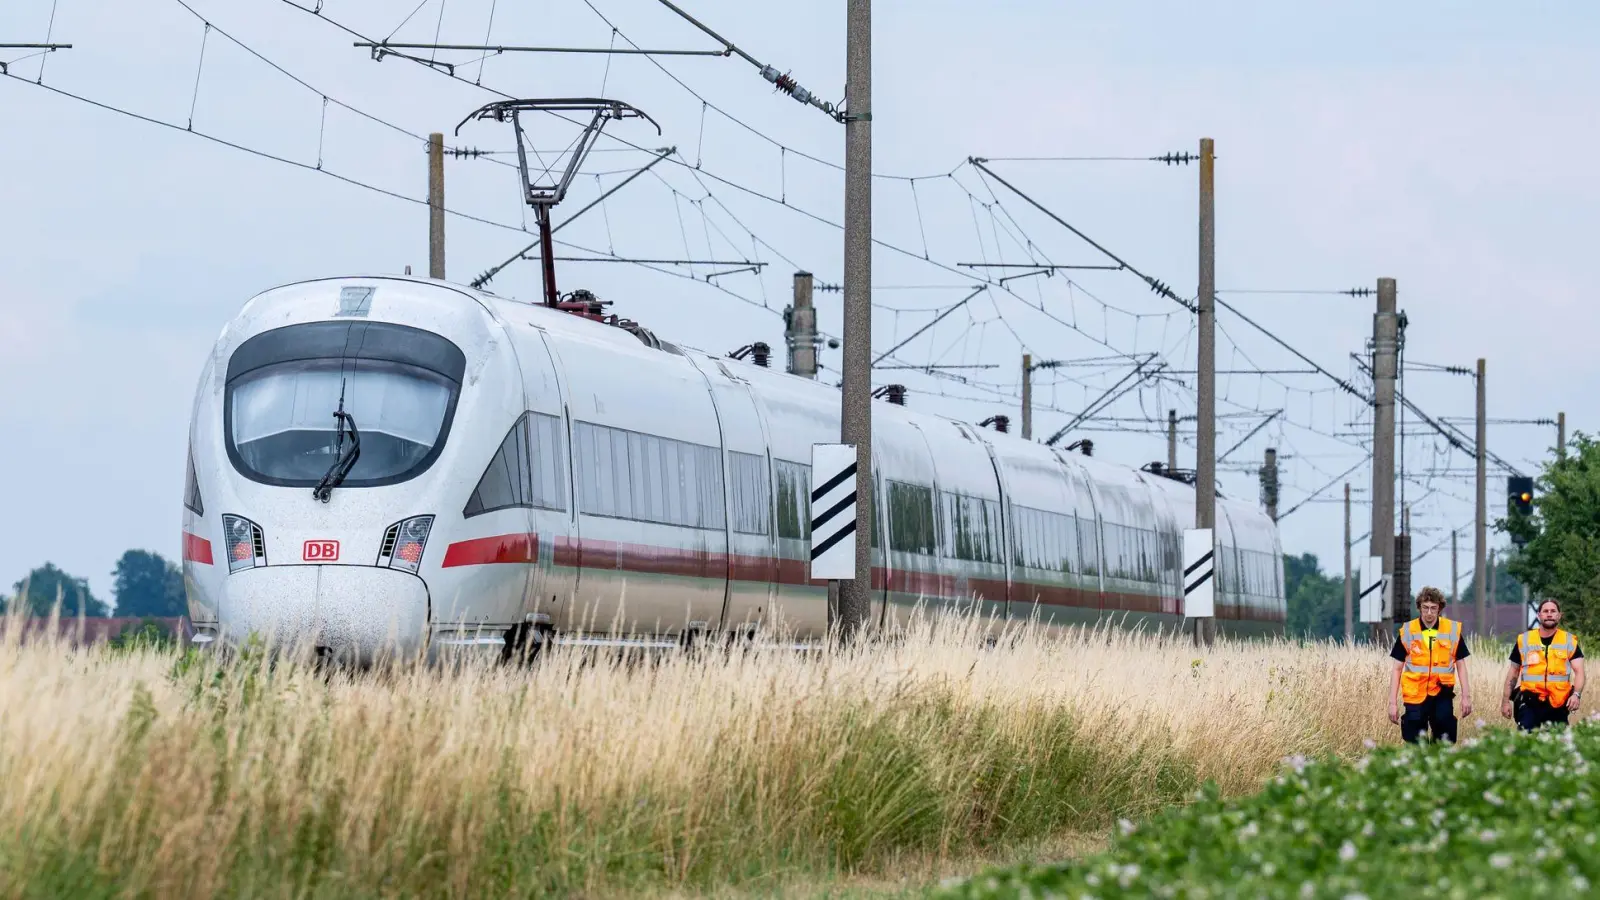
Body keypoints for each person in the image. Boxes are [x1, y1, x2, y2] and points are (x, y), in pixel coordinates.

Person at [1388, 586, 1472, 743]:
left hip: (1442, 693)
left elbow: (1461, 665)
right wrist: (1392, 703)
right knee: (1415, 743)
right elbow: (1396, 668)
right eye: (1425, 608)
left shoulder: (1452, 630)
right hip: (1415, 695)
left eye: (1433, 608)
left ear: (1439, 608)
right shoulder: (1407, 631)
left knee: (1444, 741)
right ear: (1419, 607)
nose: (1429, 613)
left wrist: (1466, 697)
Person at [1501, 598, 1585, 731]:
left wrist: (1576, 695)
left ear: (1559, 615)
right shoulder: (1524, 640)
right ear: (1539, 615)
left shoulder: (1569, 641)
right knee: (1525, 742)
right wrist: (1505, 701)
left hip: (1558, 704)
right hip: (1529, 702)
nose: (1549, 614)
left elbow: (1579, 671)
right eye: (1545, 611)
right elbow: (1513, 672)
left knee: (1558, 746)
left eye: (1553, 611)